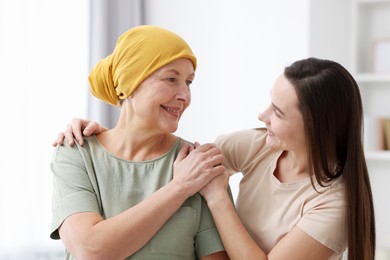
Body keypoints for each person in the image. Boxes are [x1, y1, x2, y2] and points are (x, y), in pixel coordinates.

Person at [55, 57, 376, 260]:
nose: (262, 115)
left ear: (316, 128)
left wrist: (217, 197)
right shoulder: (261, 146)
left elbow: (201, 181)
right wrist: (99, 135)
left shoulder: (334, 204)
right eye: (270, 103)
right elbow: (182, 158)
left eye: (277, 112)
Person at [50, 25, 229, 260]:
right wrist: (180, 187)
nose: (184, 95)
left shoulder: (197, 164)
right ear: (130, 84)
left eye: (188, 82)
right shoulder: (77, 153)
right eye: (171, 79)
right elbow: (90, 250)